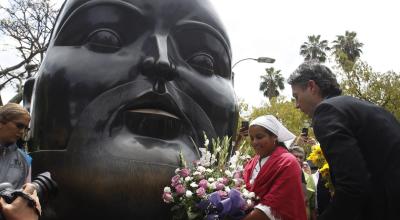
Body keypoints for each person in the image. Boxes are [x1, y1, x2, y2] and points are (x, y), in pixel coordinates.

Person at [288, 61, 400, 220]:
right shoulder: (362, 107)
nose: (296, 105)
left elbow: (353, 186)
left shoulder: (327, 111)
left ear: (312, 86)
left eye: (296, 96)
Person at [243, 115, 307, 220]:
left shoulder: (288, 162)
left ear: (274, 137)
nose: (254, 142)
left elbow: (274, 204)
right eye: (252, 138)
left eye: (259, 137)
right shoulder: (252, 162)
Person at [0, 103, 40, 220]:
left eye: (25, 129)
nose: (22, 132)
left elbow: (27, 196)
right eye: (19, 126)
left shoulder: (26, 160)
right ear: (1, 122)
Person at [289, 146, 317, 220]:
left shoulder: (309, 178)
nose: (298, 159)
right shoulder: (283, 175)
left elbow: (312, 204)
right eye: (295, 156)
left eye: (301, 157)